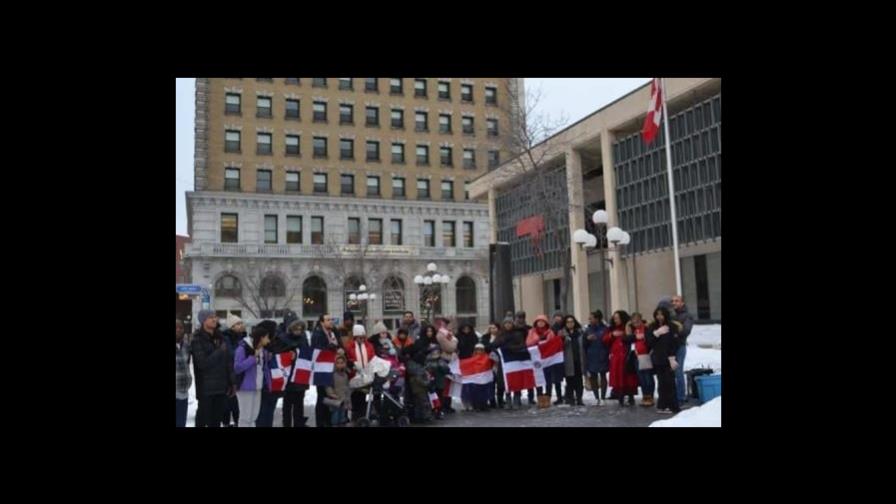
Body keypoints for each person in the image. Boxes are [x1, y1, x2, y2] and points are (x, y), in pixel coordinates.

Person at [191, 310, 236, 427]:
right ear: (203, 320)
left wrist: (232, 382)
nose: (215, 319)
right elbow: (202, 364)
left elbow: (228, 362)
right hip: (206, 389)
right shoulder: (197, 339)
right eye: (211, 317)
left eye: (215, 317)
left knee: (216, 422)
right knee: (202, 420)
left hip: (221, 387)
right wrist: (219, 351)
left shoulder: (221, 337)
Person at [233, 326, 272, 427]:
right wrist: (253, 359)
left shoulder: (263, 350)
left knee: (254, 416)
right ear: (261, 337)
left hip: (257, 387)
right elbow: (237, 368)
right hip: (245, 387)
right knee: (245, 417)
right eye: (267, 337)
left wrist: (268, 383)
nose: (268, 340)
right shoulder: (242, 348)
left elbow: (264, 369)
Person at [646, 306, 682, 414]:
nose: (659, 317)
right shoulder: (652, 327)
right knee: (661, 382)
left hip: (669, 357)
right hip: (658, 358)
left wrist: (672, 356)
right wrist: (656, 333)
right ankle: (662, 405)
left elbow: (675, 342)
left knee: (670, 382)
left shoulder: (672, 326)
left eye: (661, 314)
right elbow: (649, 341)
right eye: (657, 315)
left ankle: (673, 405)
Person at [603, 310, 638, 406]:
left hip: (627, 354)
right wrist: (612, 335)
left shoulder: (629, 327)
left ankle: (630, 395)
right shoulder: (611, 329)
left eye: (617, 318)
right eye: (614, 318)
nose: (615, 320)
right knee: (618, 375)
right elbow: (605, 339)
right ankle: (620, 395)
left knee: (629, 375)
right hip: (616, 355)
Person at [311, 313, 340, 427]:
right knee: (322, 396)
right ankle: (320, 422)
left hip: (331, 367)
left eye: (331, 319)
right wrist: (329, 348)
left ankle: (328, 421)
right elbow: (316, 350)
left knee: (329, 395)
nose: (331, 321)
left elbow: (338, 344)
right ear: (322, 322)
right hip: (321, 369)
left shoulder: (332, 332)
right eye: (328, 320)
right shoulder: (318, 333)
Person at [526, 314, 561, 405]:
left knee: (548, 378)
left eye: (543, 321)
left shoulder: (550, 332)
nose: (541, 323)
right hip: (536, 359)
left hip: (547, 359)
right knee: (538, 378)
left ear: (546, 323)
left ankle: (548, 397)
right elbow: (528, 343)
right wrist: (538, 340)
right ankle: (540, 397)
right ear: (536, 323)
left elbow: (552, 344)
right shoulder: (531, 332)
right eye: (539, 321)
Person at [345, 324, 376, 423]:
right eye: (359, 337)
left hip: (367, 374)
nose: (362, 339)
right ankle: (356, 415)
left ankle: (363, 415)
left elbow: (372, 357)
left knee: (363, 396)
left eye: (363, 337)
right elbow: (348, 358)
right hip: (355, 375)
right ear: (355, 336)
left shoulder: (369, 346)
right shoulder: (350, 346)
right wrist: (353, 364)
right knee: (355, 395)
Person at [221, 313, 246, 427]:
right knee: (227, 403)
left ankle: (237, 423)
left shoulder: (242, 337)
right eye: (238, 324)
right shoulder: (226, 337)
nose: (241, 325)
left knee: (238, 404)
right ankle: (226, 423)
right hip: (227, 374)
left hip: (240, 374)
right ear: (232, 327)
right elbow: (231, 354)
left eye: (241, 323)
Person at [670, 295, 695, 403]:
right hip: (670, 347)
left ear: (682, 303)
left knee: (678, 371)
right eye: (673, 301)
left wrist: (674, 332)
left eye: (677, 301)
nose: (674, 303)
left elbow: (686, 331)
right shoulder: (671, 315)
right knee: (670, 372)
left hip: (679, 346)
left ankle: (681, 397)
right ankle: (673, 395)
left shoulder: (687, 316)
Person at [627, 313, 655, 406]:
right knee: (641, 377)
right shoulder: (633, 330)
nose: (636, 323)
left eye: (637, 321)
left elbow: (651, 340)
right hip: (636, 355)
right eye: (634, 321)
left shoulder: (647, 328)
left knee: (648, 376)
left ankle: (650, 396)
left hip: (646, 354)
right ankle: (645, 396)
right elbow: (627, 339)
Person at [559, 315, 586, 406]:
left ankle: (579, 398)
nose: (570, 324)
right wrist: (563, 339)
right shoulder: (562, 334)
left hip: (578, 360)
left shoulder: (580, 332)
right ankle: (570, 399)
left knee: (579, 381)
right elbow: (558, 346)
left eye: (572, 322)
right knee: (570, 381)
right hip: (568, 361)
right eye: (568, 322)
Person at [583, 311, 610, 404]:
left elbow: (608, 341)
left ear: (597, 319)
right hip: (591, 355)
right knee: (593, 376)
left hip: (602, 354)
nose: (589, 320)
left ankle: (603, 396)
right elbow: (583, 345)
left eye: (591, 318)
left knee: (603, 375)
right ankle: (596, 397)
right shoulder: (587, 330)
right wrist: (587, 339)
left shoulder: (605, 329)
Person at [504, 315, 529, 409]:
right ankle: (508, 399)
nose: (507, 325)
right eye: (506, 323)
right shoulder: (501, 334)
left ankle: (517, 399)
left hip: (516, 360)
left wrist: (511, 349)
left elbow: (523, 345)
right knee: (507, 380)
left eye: (509, 323)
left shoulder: (518, 334)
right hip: (505, 362)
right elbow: (496, 345)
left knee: (516, 380)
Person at [435, 316, 458, 413]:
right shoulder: (441, 334)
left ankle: (447, 404)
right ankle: (443, 405)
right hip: (445, 360)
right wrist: (454, 342)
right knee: (444, 384)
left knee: (449, 384)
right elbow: (450, 348)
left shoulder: (447, 334)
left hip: (450, 360)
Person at [513, 311, 536, 405]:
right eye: (519, 317)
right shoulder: (512, 329)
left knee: (529, 377)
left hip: (527, 355)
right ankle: (517, 396)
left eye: (522, 317)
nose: (520, 319)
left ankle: (531, 397)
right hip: (516, 355)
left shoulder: (529, 329)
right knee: (517, 378)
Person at [325, 354, 352, 426]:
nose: (340, 365)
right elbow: (328, 386)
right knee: (335, 416)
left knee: (342, 416)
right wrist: (331, 394)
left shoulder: (345, 375)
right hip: (335, 399)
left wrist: (348, 398)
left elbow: (347, 387)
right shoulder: (332, 375)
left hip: (343, 399)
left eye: (342, 363)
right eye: (338, 363)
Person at [176, 320, 192, 427]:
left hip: (184, 392)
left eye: (180, 327)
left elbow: (187, 364)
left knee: (181, 423)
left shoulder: (186, 346)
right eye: (176, 327)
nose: (178, 330)